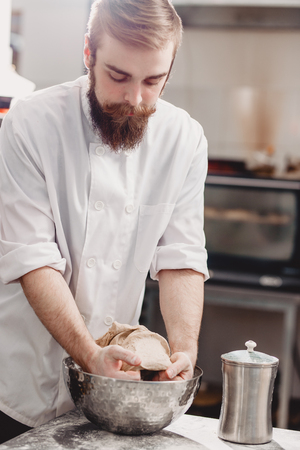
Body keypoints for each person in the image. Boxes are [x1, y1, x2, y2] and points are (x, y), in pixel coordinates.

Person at [0, 0, 209, 442]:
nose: (135, 99)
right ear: (88, 54)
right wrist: (89, 354)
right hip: (19, 388)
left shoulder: (184, 138)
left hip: (115, 394)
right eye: (119, 77)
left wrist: (185, 350)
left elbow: (181, 257)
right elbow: (33, 259)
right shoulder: (30, 124)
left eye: (154, 81)